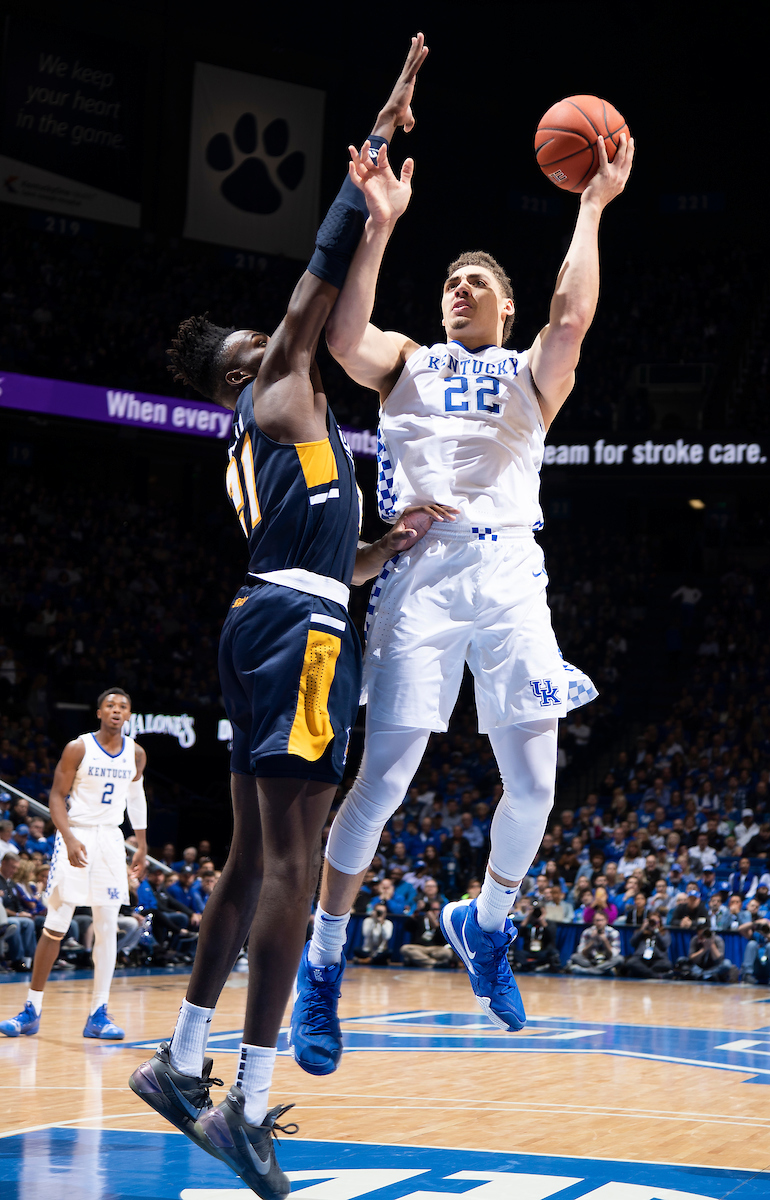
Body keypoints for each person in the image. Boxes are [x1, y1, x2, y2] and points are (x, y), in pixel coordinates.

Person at [130, 38, 434, 1200]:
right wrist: (376, 145)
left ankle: (180, 1061)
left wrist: (380, 548)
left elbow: (315, 560)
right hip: (299, 636)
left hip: (271, 614)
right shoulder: (280, 382)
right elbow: (320, 264)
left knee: (256, 854)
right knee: (295, 869)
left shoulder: (256, 439)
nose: (277, 338)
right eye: (255, 348)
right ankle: (248, 1108)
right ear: (233, 377)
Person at [291, 88, 634, 1051]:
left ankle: (485, 925)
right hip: (420, 577)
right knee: (387, 777)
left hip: (514, 579)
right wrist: (376, 228)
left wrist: (592, 205)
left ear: (508, 306)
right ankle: (324, 965)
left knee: (535, 787)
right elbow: (342, 341)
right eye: (452, 281)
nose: (461, 287)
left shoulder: (532, 371)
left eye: (478, 282)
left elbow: (572, 319)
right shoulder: (406, 359)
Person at [0, 689, 147, 1039]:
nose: (116, 710)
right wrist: (67, 837)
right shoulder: (78, 747)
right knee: (56, 922)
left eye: (123, 706)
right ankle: (31, 1010)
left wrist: (141, 843)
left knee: (108, 926)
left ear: (128, 715)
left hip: (112, 840)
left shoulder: (136, 754)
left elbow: (136, 797)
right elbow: (55, 796)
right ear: (99, 711)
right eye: (110, 705)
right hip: (77, 832)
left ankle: (99, 1013)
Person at [400, 901, 453, 968]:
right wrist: (416, 912)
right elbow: (407, 927)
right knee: (404, 949)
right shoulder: (419, 919)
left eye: (436, 909)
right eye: (432, 909)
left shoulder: (442, 922)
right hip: (419, 947)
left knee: (448, 952)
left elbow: (443, 938)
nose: (434, 912)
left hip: (435, 949)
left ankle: (421, 961)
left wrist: (434, 923)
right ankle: (434, 963)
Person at [569, 911, 624, 976]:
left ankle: (585, 971)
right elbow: (581, 952)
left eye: (601, 920)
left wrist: (605, 941)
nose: (599, 923)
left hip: (606, 961)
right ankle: (605, 971)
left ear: (606, 921)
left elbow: (614, 954)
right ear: (594, 922)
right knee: (575, 957)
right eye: (597, 920)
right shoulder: (587, 932)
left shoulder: (613, 933)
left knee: (620, 959)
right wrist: (592, 941)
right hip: (591, 961)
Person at [513, 900, 560, 973]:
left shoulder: (549, 923)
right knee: (518, 954)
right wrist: (528, 916)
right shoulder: (529, 923)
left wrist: (542, 920)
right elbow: (519, 933)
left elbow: (552, 936)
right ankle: (533, 966)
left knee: (552, 953)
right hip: (529, 951)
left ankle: (531, 966)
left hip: (542, 951)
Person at [624, 911, 672, 979]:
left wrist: (656, 932)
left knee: (666, 964)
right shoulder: (641, 932)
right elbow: (632, 943)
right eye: (651, 921)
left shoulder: (664, 932)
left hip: (657, 959)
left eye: (656, 922)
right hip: (641, 959)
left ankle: (643, 973)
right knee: (631, 962)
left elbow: (665, 945)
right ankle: (656, 976)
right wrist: (642, 929)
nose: (653, 923)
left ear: (660, 922)